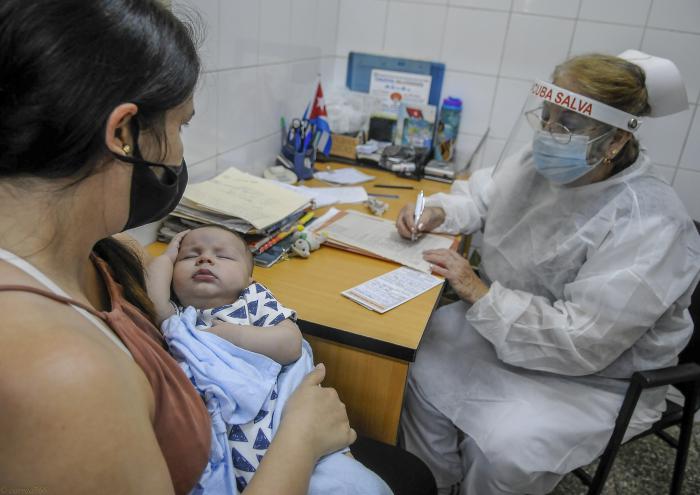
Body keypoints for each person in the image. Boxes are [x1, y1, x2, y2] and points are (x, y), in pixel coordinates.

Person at [0, 1, 356, 494]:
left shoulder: (98, 255)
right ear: (124, 134)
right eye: (180, 126)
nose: (180, 152)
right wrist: (300, 438)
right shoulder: (63, 374)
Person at [395, 51, 700, 495]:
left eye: (569, 124)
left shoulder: (650, 222)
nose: (550, 134)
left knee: (505, 449)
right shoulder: (537, 162)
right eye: (548, 116)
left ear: (614, 141)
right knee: (417, 361)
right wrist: (442, 212)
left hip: (595, 378)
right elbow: (483, 199)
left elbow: (585, 340)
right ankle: (434, 484)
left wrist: (480, 294)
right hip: (506, 330)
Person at [147, 226, 391, 494]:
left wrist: (235, 336)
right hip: (225, 436)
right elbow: (154, 299)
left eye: (223, 256)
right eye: (189, 256)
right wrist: (168, 256)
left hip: (272, 420)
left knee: (345, 483)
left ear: (249, 278)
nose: (205, 259)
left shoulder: (252, 300)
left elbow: (291, 344)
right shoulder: (181, 317)